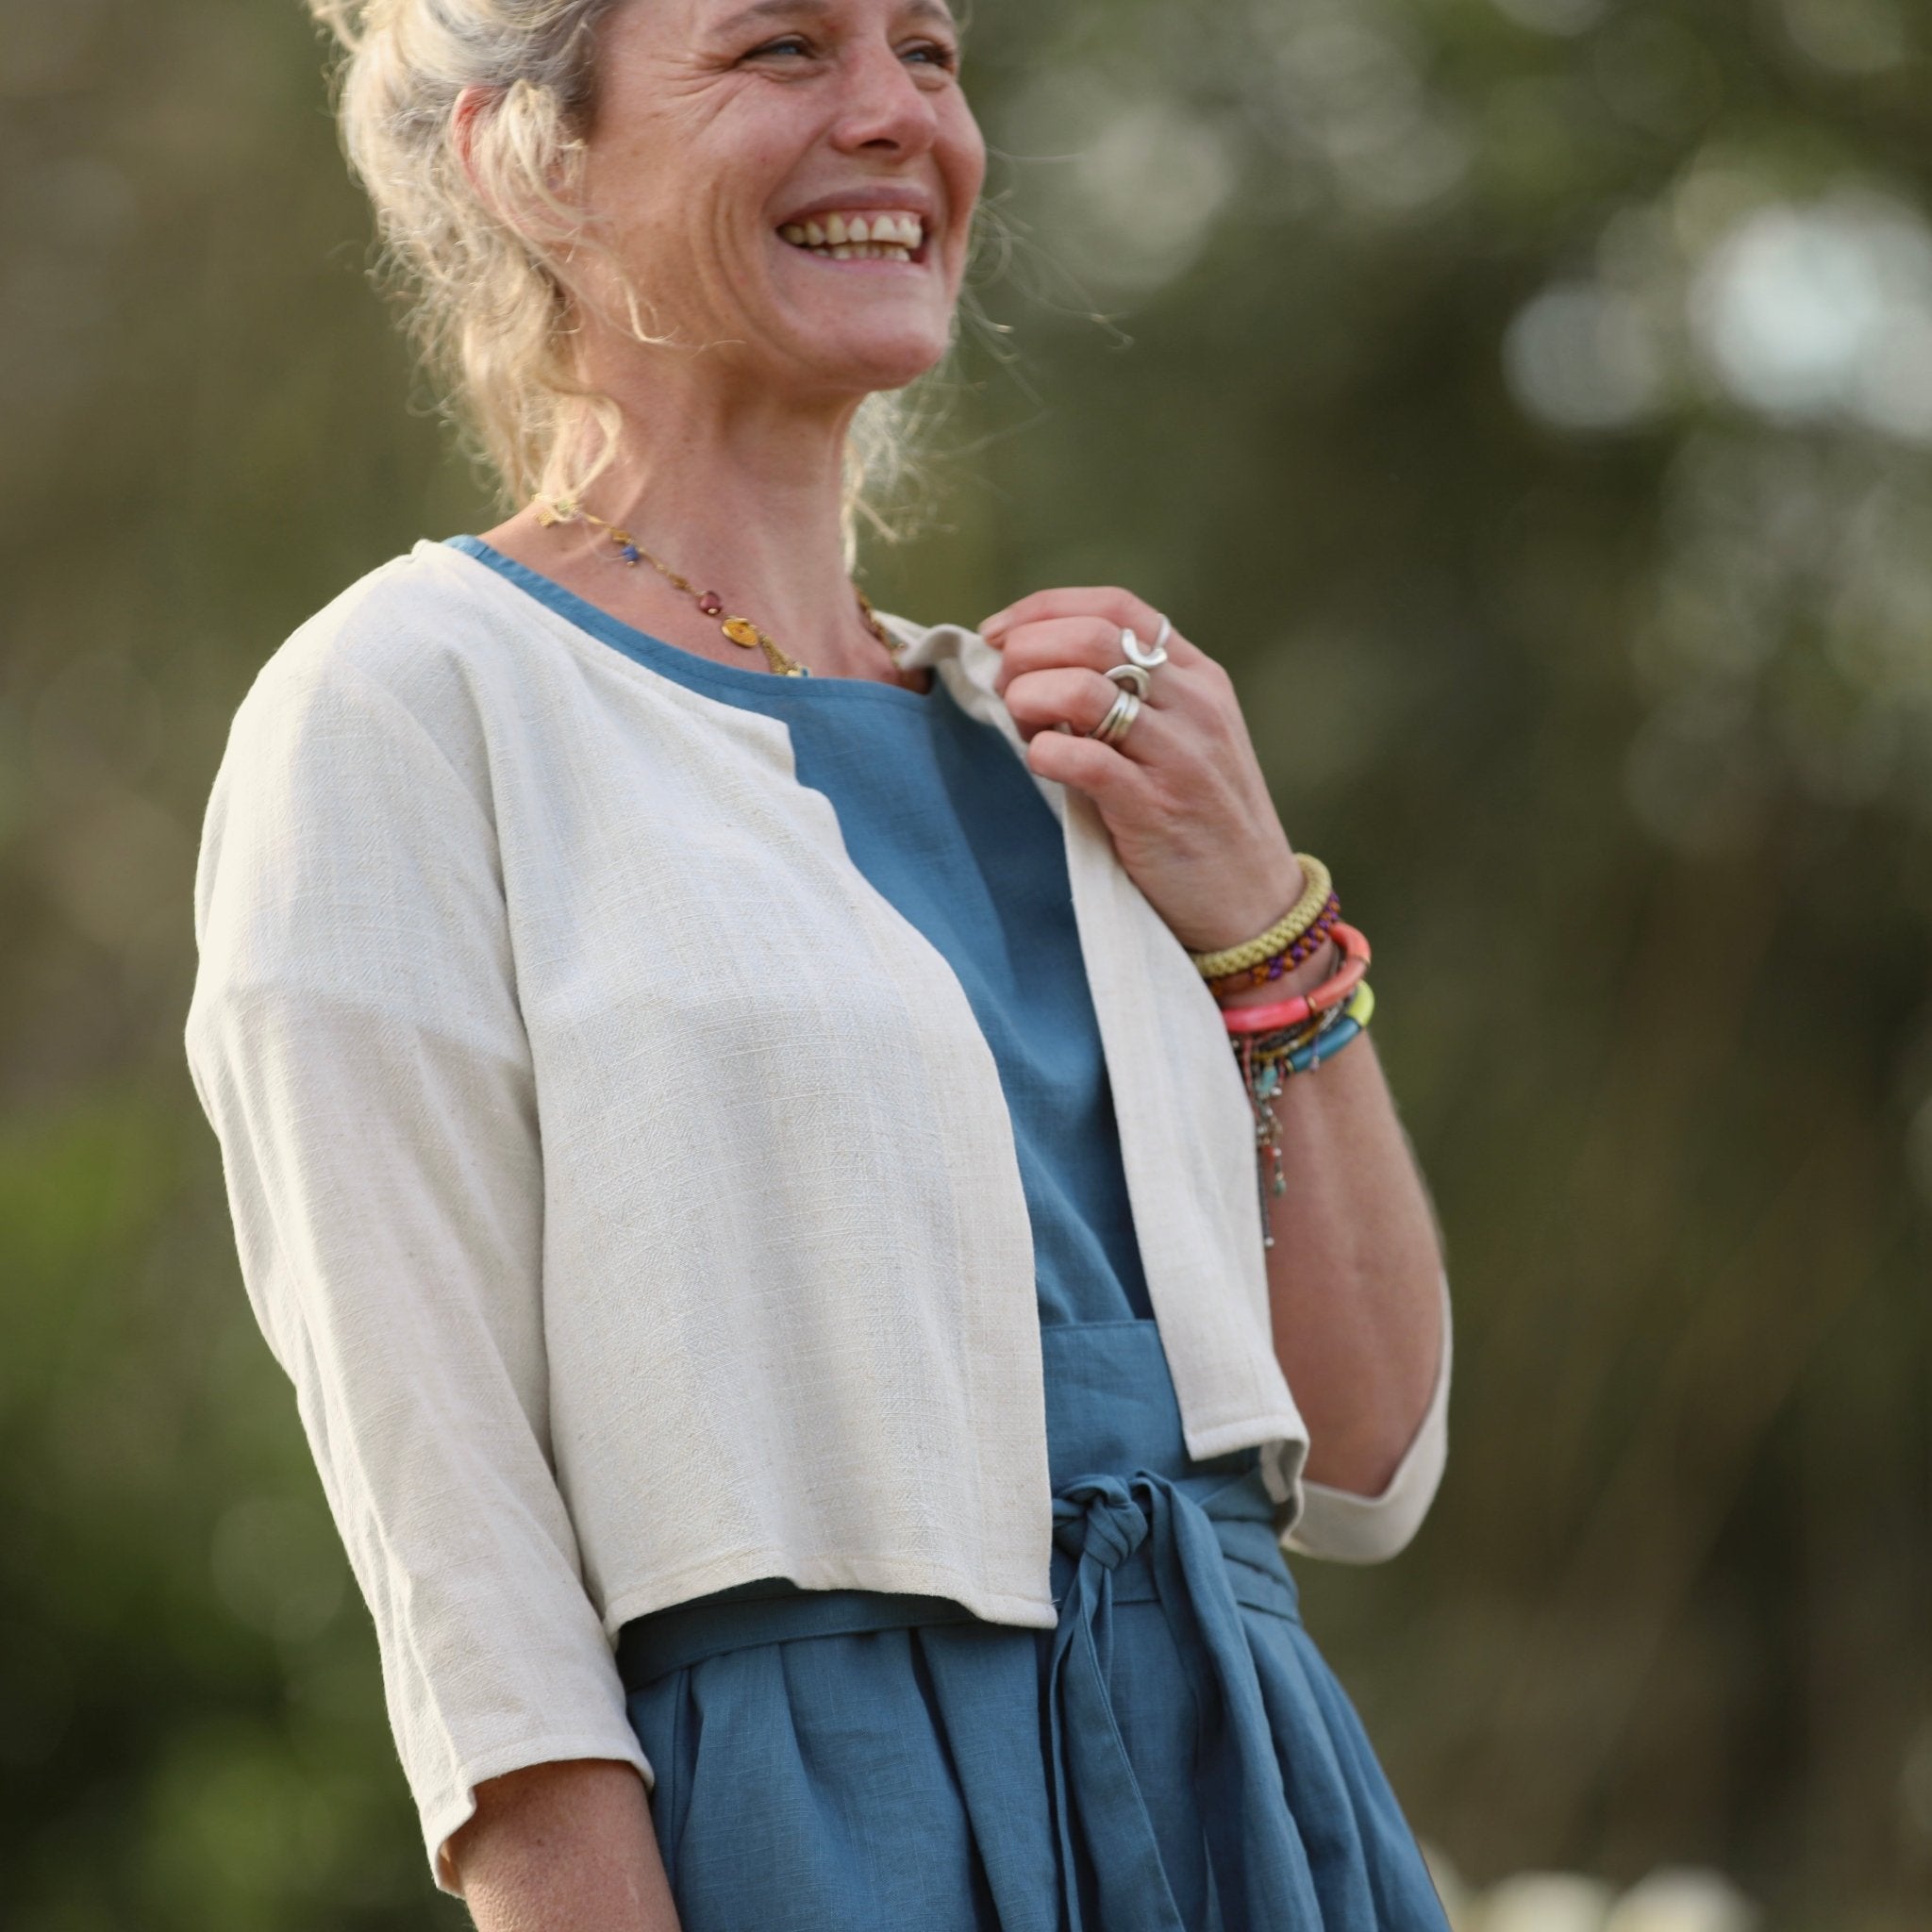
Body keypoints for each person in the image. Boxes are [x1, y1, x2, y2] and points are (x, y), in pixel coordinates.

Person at [183, 0, 1457, 1926]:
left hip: (1256, 1812)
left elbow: (1365, 1457)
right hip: (822, 1834)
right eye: (781, 46)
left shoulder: (1072, 751)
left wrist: (1258, 912)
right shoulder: (407, 704)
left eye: (928, 52)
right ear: (526, 154)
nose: (891, 114)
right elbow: (462, 1571)